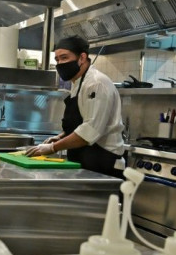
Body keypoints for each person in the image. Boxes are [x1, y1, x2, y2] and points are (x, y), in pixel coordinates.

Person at [26, 35, 124, 177]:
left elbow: (89, 131)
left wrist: (52, 147)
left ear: (82, 58)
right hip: (86, 161)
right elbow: (81, 122)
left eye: (64, 57)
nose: (60, 63)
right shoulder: (78, 83)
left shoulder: (96, 83)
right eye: (57, 59)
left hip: (103, 164)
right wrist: (61, 137)